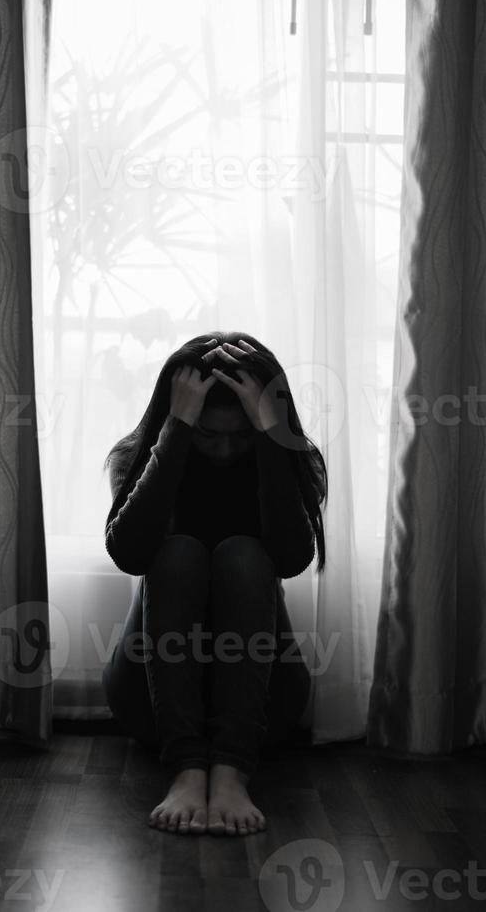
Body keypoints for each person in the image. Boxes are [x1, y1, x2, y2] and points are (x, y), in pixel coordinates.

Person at [102, 333, 328, 836]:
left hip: (265, 707)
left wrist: (271, 437)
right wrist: (176, 432)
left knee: (245, 555)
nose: (225, 451)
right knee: (177, 552)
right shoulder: (139, 456)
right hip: (149, 704)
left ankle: (231, 768)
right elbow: (129, 553)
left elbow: (291, 559)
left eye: (240, 435)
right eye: (209, 434)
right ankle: (185, 766)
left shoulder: (293, 460)